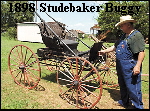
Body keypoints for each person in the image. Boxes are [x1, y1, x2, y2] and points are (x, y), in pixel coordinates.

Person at [99, 15, 145, 109]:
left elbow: (141, 52)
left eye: (122, 25)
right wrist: (104, 51)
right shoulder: (124, 35)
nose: (120, 28)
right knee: (123, 85)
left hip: (131, 65)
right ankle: (124, 102)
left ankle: (138, 106)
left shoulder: (136, 35)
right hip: (121, 65)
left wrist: (137, 66)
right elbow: (115, 47)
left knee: (133, 87)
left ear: (128, 24)